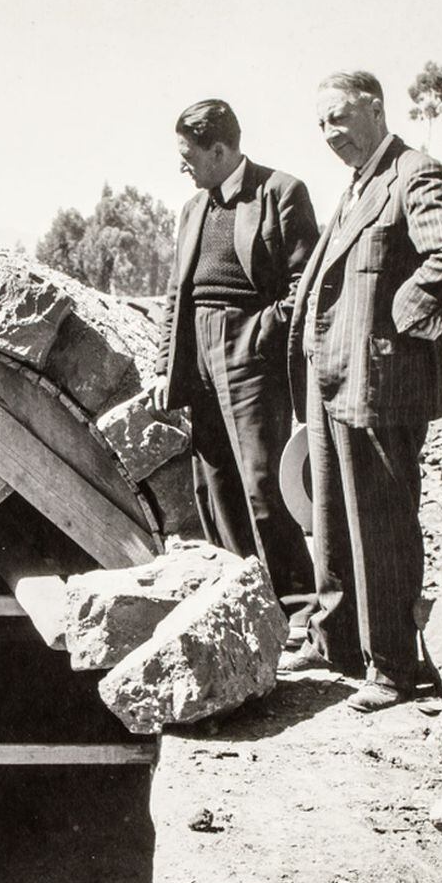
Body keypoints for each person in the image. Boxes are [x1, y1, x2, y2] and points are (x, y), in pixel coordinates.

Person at [286, 71, 442, 712]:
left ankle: (394, 669)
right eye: (320, 124)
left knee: (382, 522)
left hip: (378, 378)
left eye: (338, 118)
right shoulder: (356, 186)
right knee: (334, 517)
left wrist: (401, 313)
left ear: (374, 108)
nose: (328, 134)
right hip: (332, 375)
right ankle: (338, 640)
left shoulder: (415, 172)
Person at [146, 98, 319, 634]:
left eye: (188, 155)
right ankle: (248, 610)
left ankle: (300, 611)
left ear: (218, 150)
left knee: (264, 486)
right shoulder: (191, 209)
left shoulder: (281, 192)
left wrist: (255, 336)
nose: (183, 167)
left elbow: (304, 289)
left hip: (249, 356)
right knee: (215, 486)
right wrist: (164, 366)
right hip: (197, 357)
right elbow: (178, 294)